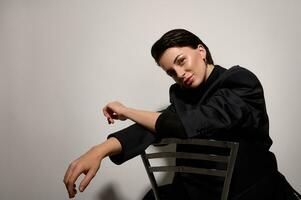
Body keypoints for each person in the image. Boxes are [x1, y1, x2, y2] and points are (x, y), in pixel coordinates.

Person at [63, 29, 300, 199]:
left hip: (250, 189)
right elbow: (155, 126)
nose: (179, 73)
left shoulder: (239, 81)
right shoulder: (182, 94)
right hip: (199, 189)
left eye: (181, 61)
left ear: (201, 51)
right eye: (171, 72)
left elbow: (185, 124)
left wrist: (126, 110)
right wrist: (99, 151)